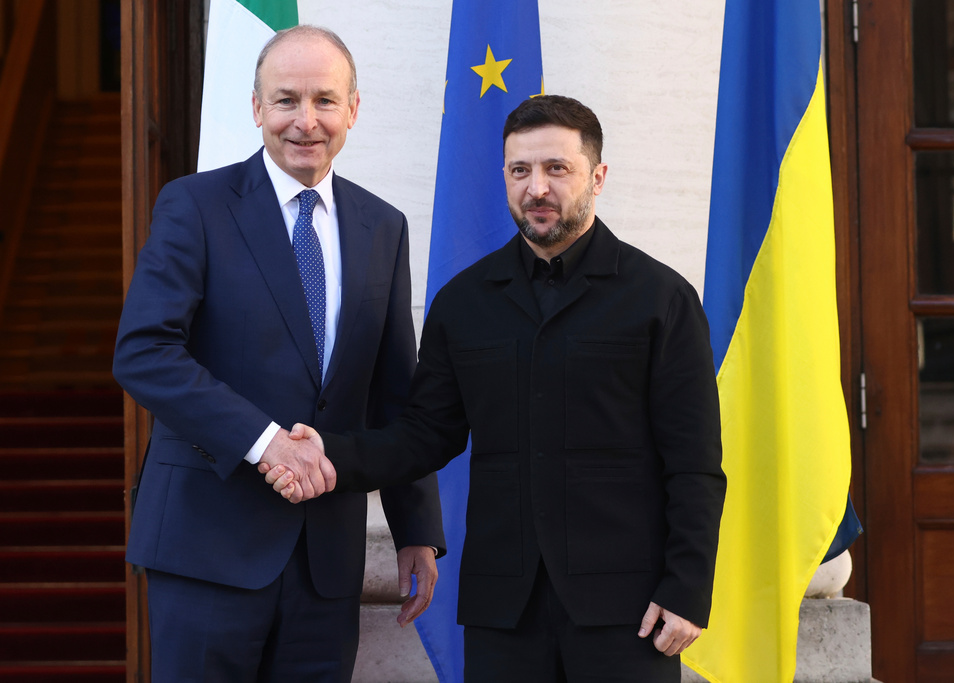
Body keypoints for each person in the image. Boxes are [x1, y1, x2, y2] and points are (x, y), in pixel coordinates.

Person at [265, 95, 726, 682]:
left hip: (627, 611)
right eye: (520, 170)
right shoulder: (464, 303)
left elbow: (694, 464)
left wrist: (686, 588)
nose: (537, 188)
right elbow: (423, 436)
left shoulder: (661, 299)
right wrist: (326, 453)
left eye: (557, 169)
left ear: (598, 176)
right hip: (502, 612)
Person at [113, 25, 445, 682]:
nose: (306, 120)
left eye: (324, 100)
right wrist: (266, 441)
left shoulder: (383, 226)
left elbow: (394, 392)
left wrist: (415, 527)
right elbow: (144, 351)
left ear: (353, 109)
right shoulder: (195, 205)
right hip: (208, 546)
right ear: (258, 108)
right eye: (286, 100)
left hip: (325, 561)